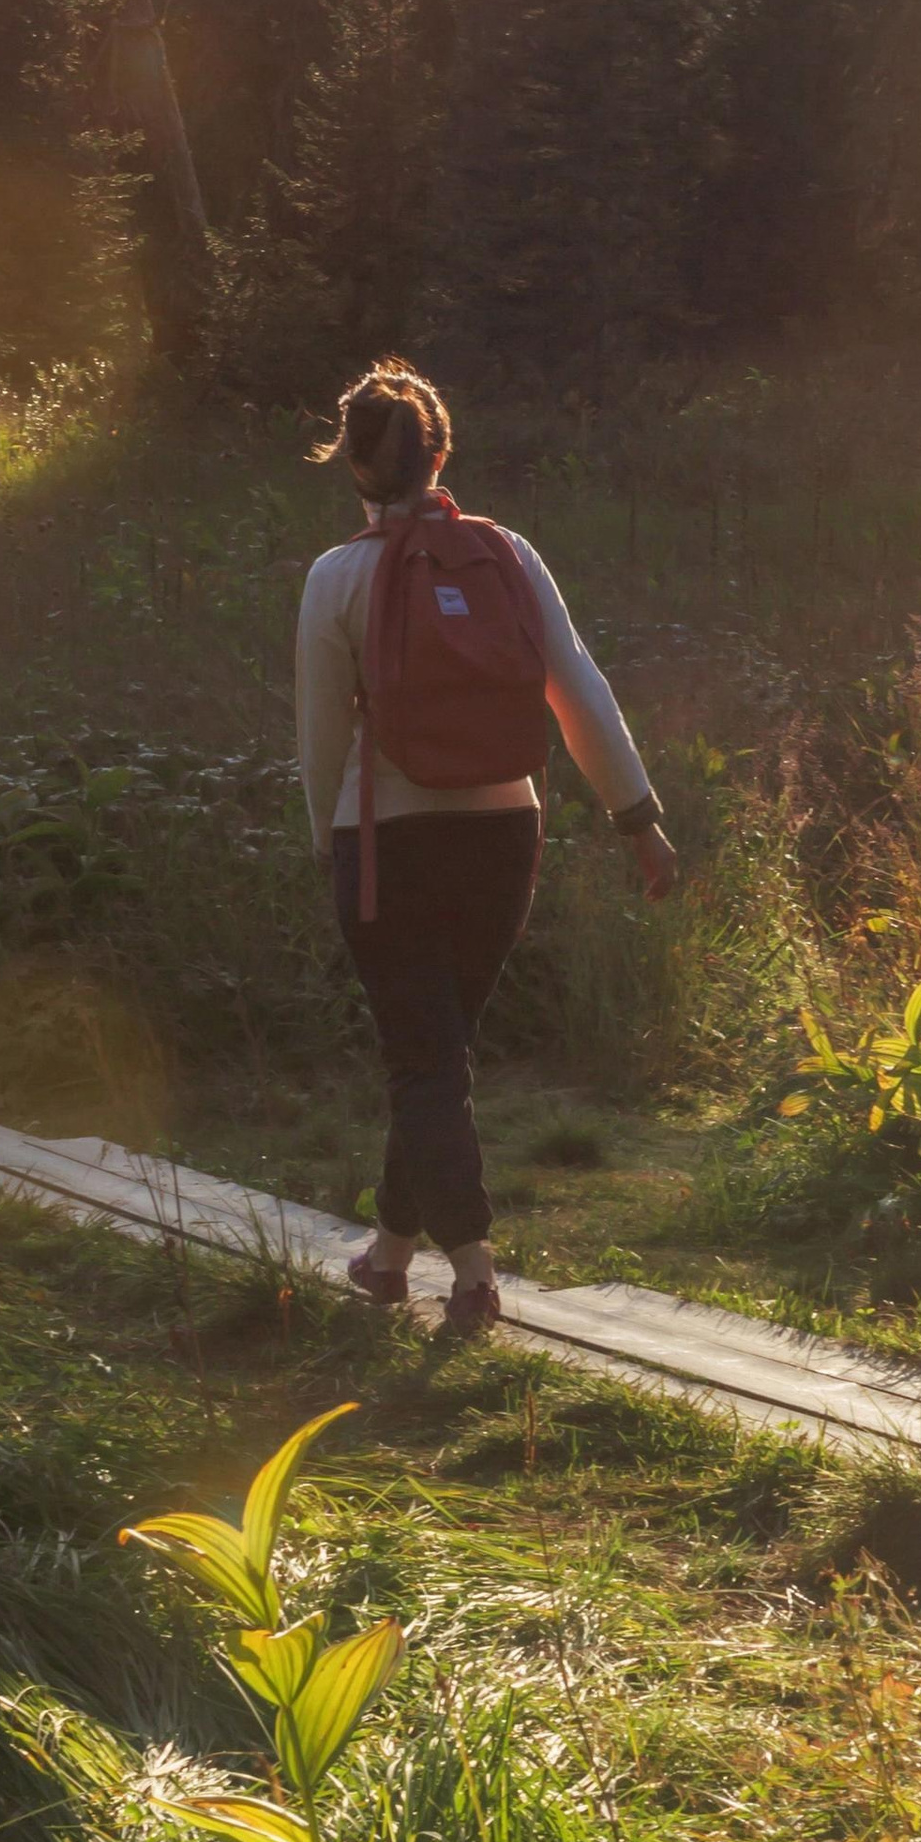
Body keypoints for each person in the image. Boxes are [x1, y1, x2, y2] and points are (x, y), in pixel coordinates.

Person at [296, 359, 677, 1338]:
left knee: (425, 1063)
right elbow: (578, 690)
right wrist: (637, 817)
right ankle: (386, 1259)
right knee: (439, 1055)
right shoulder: (506, 553)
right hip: (506, 833)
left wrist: (325, 847)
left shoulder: (336, 577)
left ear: (353, 468)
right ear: (440, 450)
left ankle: (472, 1272)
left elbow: (320, 743)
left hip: (387, 840)